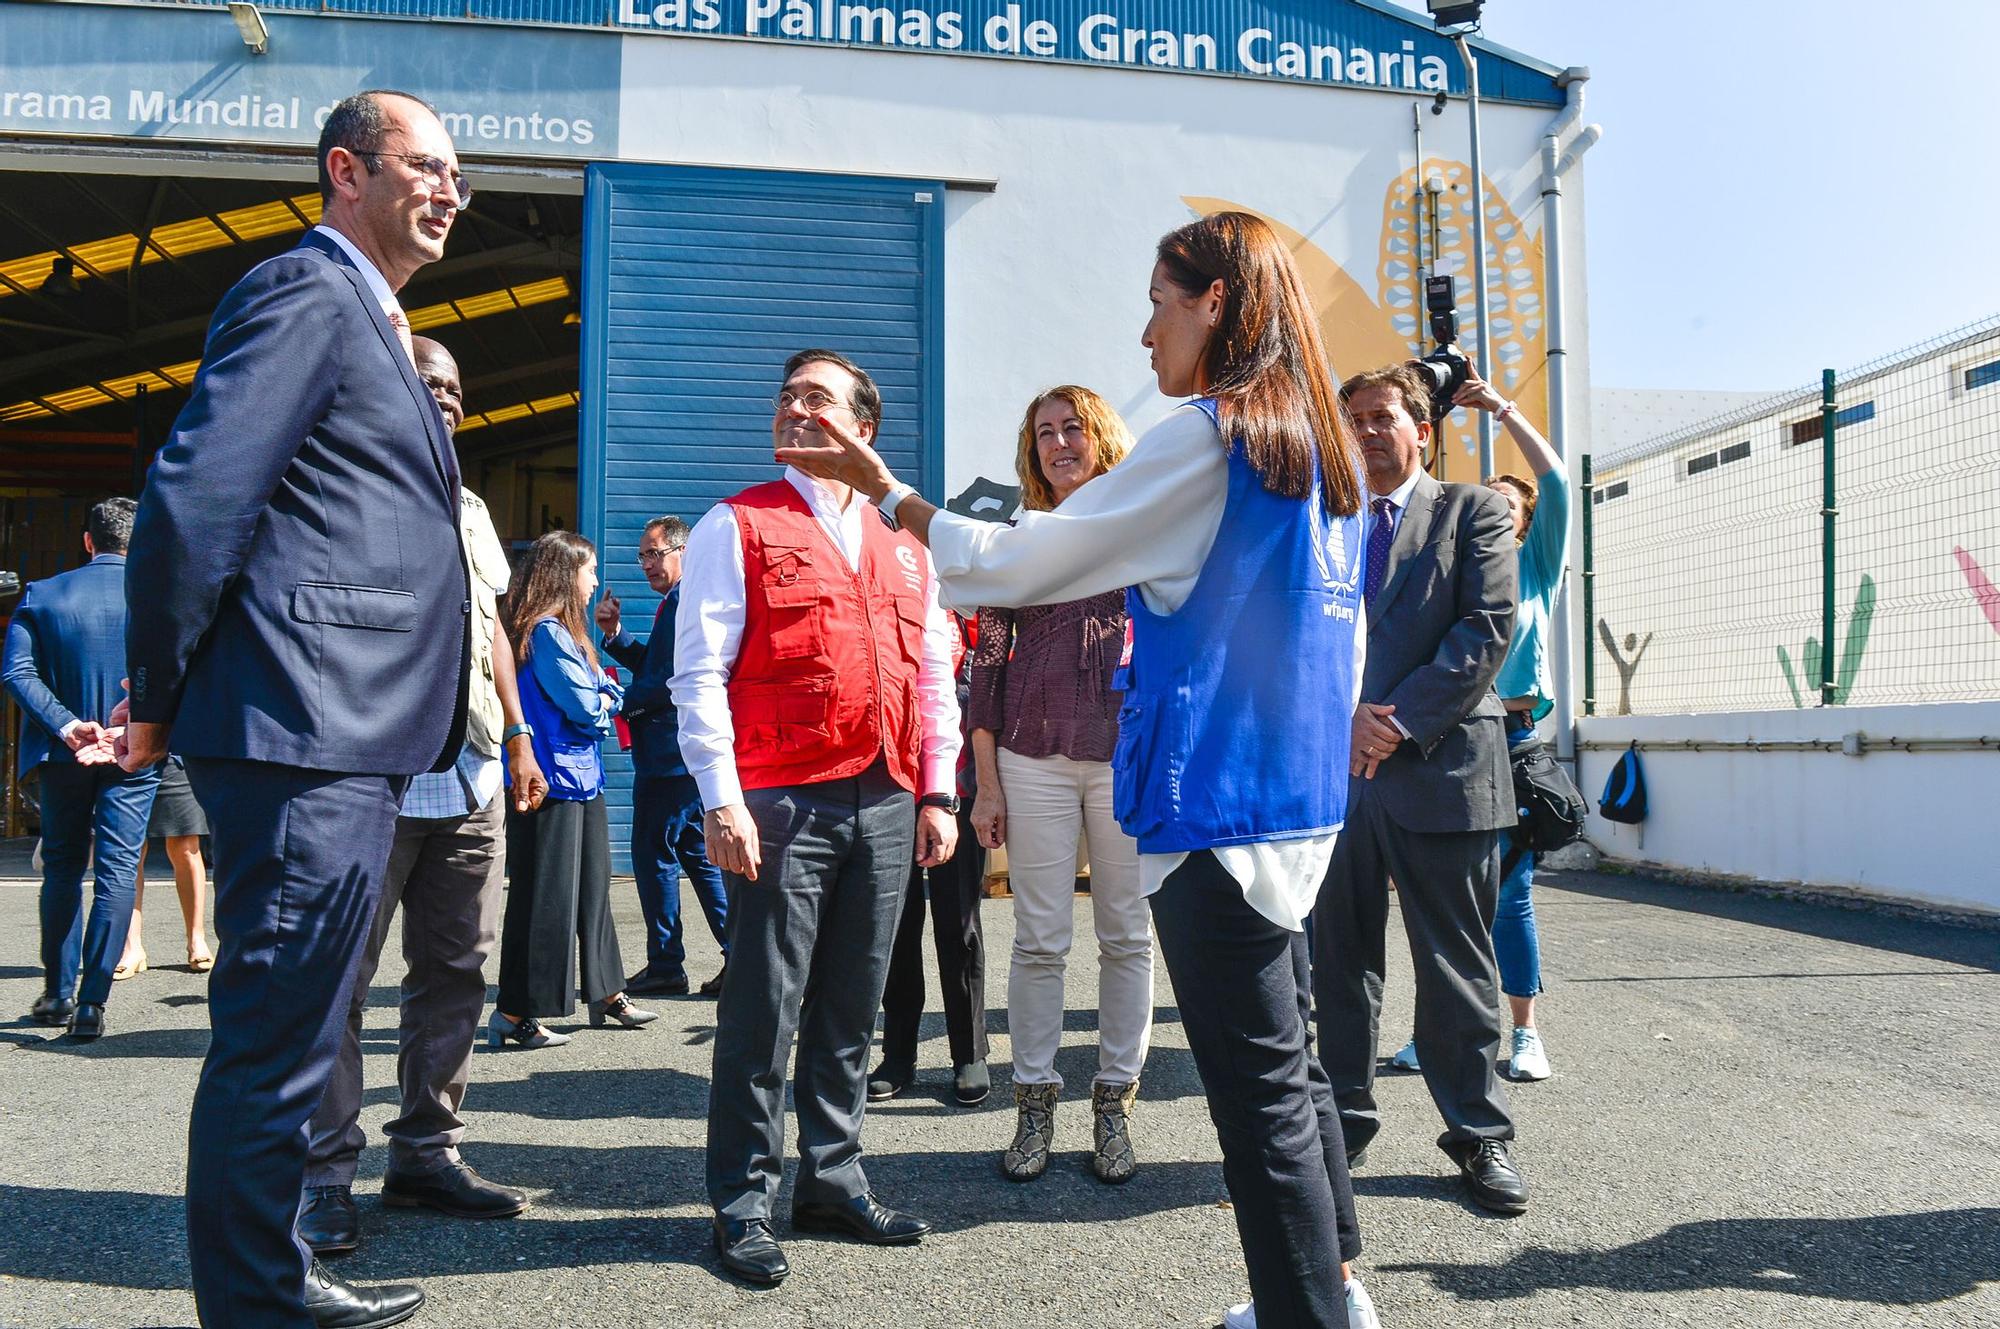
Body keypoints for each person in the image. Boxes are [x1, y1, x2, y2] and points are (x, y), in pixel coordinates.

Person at [772, 213, 1379, 1329]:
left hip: (1216, 816)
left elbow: (1022, 559)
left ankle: (1304, 1314)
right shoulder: (1323, 461)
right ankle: (1334, 1288)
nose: (1144, 331)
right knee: (1290, 1074)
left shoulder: (1205, 439)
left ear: (1214, 305)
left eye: (1159, 300)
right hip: (1298, 808)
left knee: (1259, 1108)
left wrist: (889, 493)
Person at [119, 87, 470, 1328]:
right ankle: (256, 1305)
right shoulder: (305, 293)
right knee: (274, 1042)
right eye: (423, 166)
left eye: (456, 176)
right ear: (345, 170)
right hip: (305, 725)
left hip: (348, 733)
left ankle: (276, 1275)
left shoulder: (367, 314)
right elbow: (194, 501)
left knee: (305, 1030)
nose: (446, 190)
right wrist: (155, 695)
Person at [672, 348, 961, 1288]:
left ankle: (831, 1175)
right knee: (765, 1002)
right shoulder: (737, 522)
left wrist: (938, 789)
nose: (796, 407)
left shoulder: (908, 546)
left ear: (862, 429)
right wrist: (722, 798)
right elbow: (699, 672)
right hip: (782, 796)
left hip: (884, 794)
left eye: (819, 398)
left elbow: (934, 679)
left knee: (851, 1001)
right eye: (788, 394)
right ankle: (743, 1199)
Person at [297, 336, 549, 1259]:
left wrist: (519, 734)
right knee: (343, 977)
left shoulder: (475, 506)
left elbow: (493, 628)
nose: (440, 395)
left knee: (457, 971)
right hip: (371, 770)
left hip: (474, 767)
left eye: (453, 384)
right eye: (425, 379)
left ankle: (427, 1150)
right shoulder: (341, 480)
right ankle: (324, 1172)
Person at [1310, 362, 1527, 1218]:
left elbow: (1487, 627)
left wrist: (1393, 720)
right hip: (1339, 777)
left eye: (1381, 417)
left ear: (1422, 428)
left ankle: (1479, 1134)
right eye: (1353, 418)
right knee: (1339, 964)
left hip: (1443, 770)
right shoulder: (1322, 520)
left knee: (1456, 965)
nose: (1365, 431)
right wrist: (1344, 720)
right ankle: (1344, 1125)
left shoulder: (1472, 511)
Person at [963, 385, 1152, 1184]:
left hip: (1125, 756)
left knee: (1128, 937)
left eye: (1074, 427)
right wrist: (985, 780)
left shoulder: (1143, 530)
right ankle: (1033, 1101)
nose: (1059, 441)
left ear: (1102, 436)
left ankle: (1113, 1106)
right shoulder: (1015, 541)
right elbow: (987, 662)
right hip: (1031, 758)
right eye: (1044, 431)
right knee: (1040, 939)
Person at [1382, 372, 1568, 1084]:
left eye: (1506, 503)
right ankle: (1437, 1031)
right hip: (1446, 738)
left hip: (1515, 743)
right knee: (1440, 896)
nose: (1491, 508)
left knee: (1509, 896)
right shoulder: (1454, 570)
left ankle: (1523, 1032)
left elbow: (1555, 485)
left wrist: (1503, 409)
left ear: (1521, 521)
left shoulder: (1535, 567)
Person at [491, 531, 654, 1048]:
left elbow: (594, 694)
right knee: (545, 899)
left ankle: (608, 994)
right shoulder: (546, 634)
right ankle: (516, 1016)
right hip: (551, 783)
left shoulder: (563, 633)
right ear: (566, 575)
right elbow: (586, 705)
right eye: (590, 571)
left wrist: (602, 690)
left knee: (593, 891)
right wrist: (607, 694)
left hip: (580, 778)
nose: (596, 582)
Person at [6, 497, 160, 1041]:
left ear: (88, 541)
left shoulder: (42, 595)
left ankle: (57, 992)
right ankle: (93, 1002)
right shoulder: (157, 598)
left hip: (61, 752)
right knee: (118, 870)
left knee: (63, 868)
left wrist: (68, 725)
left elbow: (17, 673)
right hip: (132, 750)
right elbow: (182, 669)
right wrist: (136, 725)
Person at [595, 515, 730, 998]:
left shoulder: (684, 600)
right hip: (682, 755)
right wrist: (616, 637)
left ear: (683, 552)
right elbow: (659, 661)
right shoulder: (677, 601)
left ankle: (666, 964)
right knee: (698, 854)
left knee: (652, 855)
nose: (648, 564)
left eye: (656, 553)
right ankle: (736, 954)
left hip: (670, 756)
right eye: (643, 556)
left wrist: (616, 699)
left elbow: (669, 678)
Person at [868, 608, 989, 1107]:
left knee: (958, 925)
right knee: (895, 927)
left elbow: (986, 705)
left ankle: (969, 1052)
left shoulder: (973, 614)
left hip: (955, 790)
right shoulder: (883, 598)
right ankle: (898, 1055)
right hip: (890, 791)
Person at [115, 756, 212, 978]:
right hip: (125, 753)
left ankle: (196, 939)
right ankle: (131, 947)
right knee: (130, 849)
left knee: (185, 846)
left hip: (175, 755)